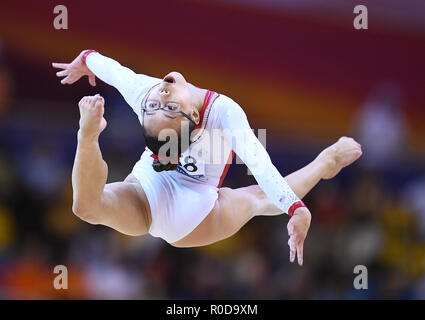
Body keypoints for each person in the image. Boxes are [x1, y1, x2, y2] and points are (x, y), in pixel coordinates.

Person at [52, 50, 362, 266]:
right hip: (151, 180)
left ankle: (325, 161)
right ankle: (87, 135)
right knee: (85, 207)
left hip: (192, 208)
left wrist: (296, 208)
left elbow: (260, 165)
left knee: (260, 198)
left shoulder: (222, 113)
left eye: (166, 107)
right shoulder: (150, 97)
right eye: (159, 107)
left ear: (196, 116)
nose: (161, 96)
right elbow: (111, 70)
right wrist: (86, 60)